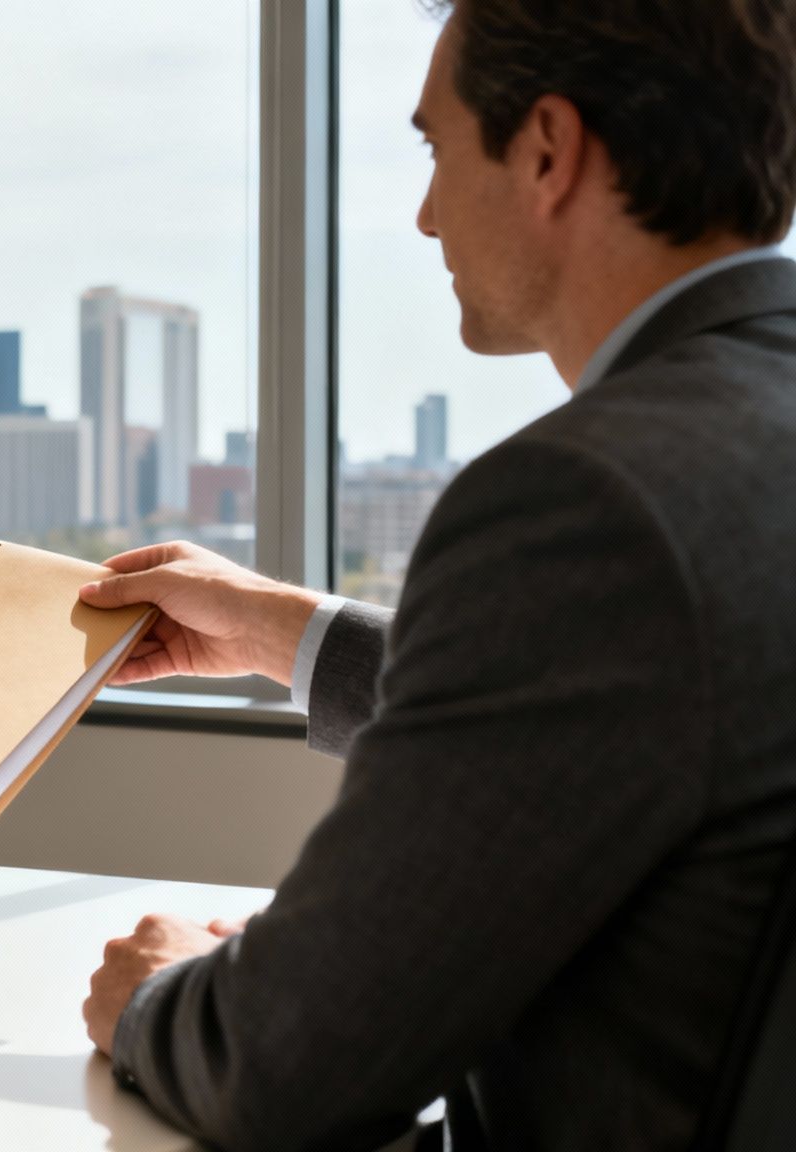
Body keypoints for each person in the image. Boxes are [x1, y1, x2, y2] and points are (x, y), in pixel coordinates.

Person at [76, 1, 796, 1148]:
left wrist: (156, 996)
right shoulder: (734, 448)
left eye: (434, 147)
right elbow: (633, 704)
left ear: (546, 151)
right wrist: (286, 633)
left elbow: (283, 1061)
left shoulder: (586, 498)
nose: (421, 214)